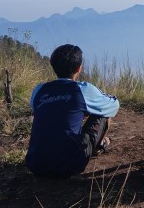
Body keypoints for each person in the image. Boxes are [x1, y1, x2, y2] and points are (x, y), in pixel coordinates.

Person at [26, 44, 120, 178]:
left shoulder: (39, 90)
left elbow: (40, 110)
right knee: (103, 114)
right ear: (79, 68)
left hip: (35, 164)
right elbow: (113, 106)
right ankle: (97, 146)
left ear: (53, 67)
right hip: (70, 165)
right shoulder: (82, 89)